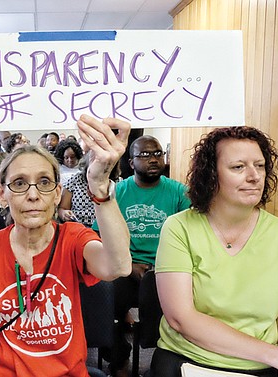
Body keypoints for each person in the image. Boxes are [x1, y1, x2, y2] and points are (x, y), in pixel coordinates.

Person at [0, 114, 133, 376]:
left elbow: (118, 266)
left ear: (56, 194)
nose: (32, 194)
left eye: (44, 182)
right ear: (2, 194)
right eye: (19, 183)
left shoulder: (73, 238)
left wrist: (99, 185)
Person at [150, 126, 278, 376]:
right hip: (189, 359)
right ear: (212, 175)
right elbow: (181, 319)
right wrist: (274, 355)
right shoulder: (179, 227)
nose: (254, 176)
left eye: (260, 166)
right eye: (238, 167)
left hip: (260, 366)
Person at [93, 135, 190, 377]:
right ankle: (118, 356)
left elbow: (193, 234)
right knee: (102, 298)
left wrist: (164, 267)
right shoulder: (118, 192)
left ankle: (158, 359)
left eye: (157, 153)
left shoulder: (178, 192)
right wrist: (129, 263)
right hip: (125, 268)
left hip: (165, 271)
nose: (153, 159)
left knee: (167, 300)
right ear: (131, 162)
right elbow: (99, 235)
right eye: (144, 155)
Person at [58, 155, 120, 228]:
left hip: (106, 228)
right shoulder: (76, 180)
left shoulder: (118, 183)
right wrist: (64, 214)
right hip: (78, 226)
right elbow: (63, 208)